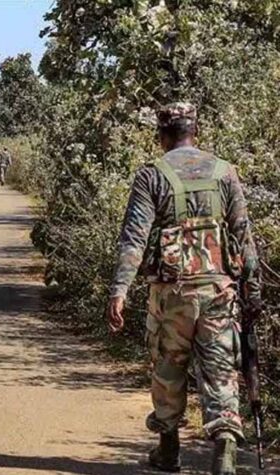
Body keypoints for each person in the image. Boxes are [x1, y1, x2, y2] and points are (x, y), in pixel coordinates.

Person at [106, 103, 262, 475]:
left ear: (161, 135)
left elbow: (134, 238)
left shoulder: (152, 175)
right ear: (196, 131)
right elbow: (244, 238)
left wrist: (119, 290)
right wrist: (253, 291)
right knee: (220, 369)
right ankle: (224, 451)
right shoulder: (225, 172)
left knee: (168, 368)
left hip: (171, 295)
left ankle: (169, 449)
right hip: (219, 293)